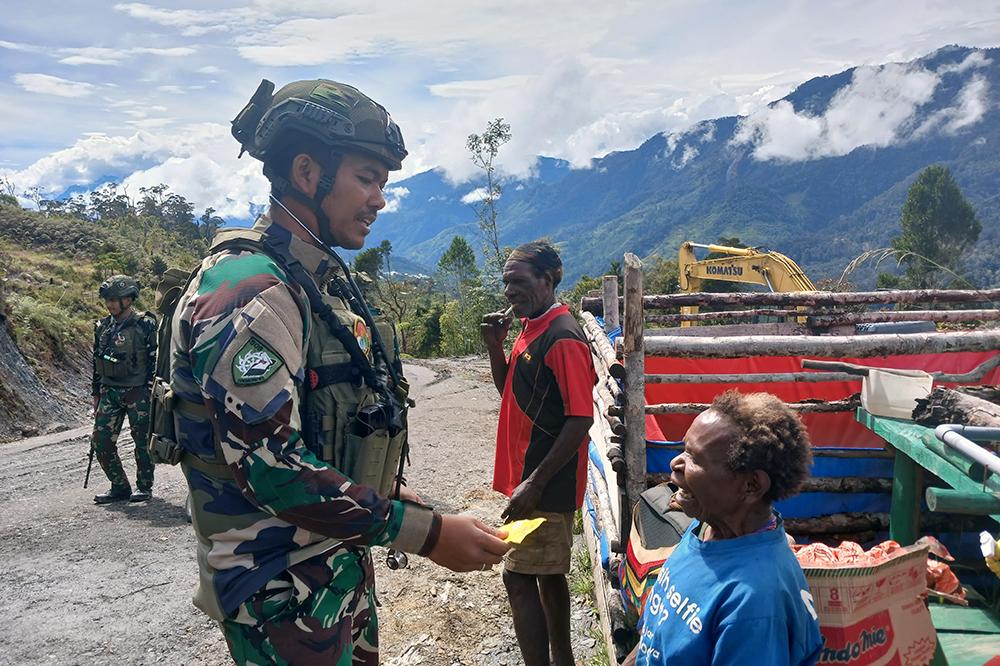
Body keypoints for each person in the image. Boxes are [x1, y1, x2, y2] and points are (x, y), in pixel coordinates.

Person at [162, 78, 510, 666]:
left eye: (383, 183)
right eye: (367, 178)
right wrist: (427, 535)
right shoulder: (253, 294)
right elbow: (275, 470)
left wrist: (387, 490)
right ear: (306, 172)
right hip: (280, 594)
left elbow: (316, 430)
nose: (379, 199)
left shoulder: (306, 283)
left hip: (327, 574)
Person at [624, 390, 823, 666]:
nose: (675, 463)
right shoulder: (705, 530)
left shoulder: (755, 606)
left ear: (751, 485)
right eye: (684, 449)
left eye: (695, 459)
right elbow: (656, 635)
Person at [480, 241, 596, 666]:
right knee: (547, 575)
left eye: (520, 281)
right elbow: (513, 392)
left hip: (545, 483)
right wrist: (496, 346)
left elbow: (581, 418)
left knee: (518, 577)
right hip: (534, 480)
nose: (509, 290)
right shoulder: (533, 326)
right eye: (507, 281)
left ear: (549, 281)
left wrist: (535, 482)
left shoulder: (562, 336)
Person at [90, 274, 156, 504]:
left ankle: (144, 487)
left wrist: (151, 390)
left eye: (113, 299)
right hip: (110, 391)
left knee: (143, 442)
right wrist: (96, 393)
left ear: (128, 299)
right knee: (100, 441)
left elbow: (155, 359)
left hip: (138, 392)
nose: (109, 304)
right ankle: (119, 486)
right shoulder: (102, 326)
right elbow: (96, 361)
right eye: (107, 300)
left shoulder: (145, 324)